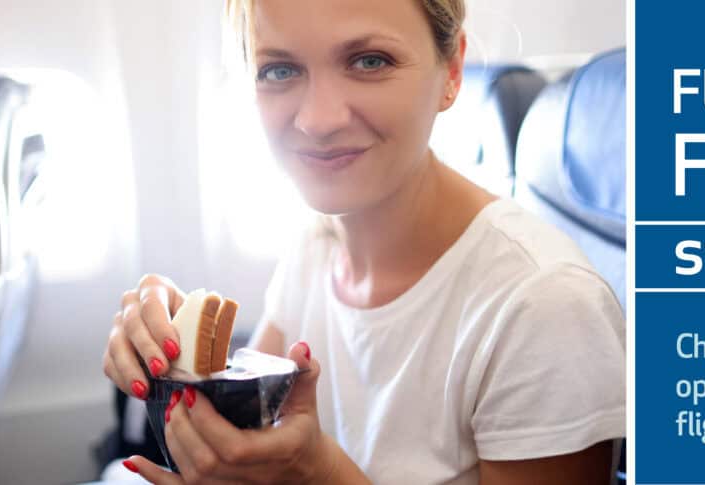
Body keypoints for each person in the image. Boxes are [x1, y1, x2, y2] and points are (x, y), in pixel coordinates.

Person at [101, 0, 625, 483]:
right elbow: (241, 430)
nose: (318, 121)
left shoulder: (545, 308)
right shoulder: (315, 244)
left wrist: (319, 475)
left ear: (453, 70)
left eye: (370, 61)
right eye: (279, 70)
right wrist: (171, 354)